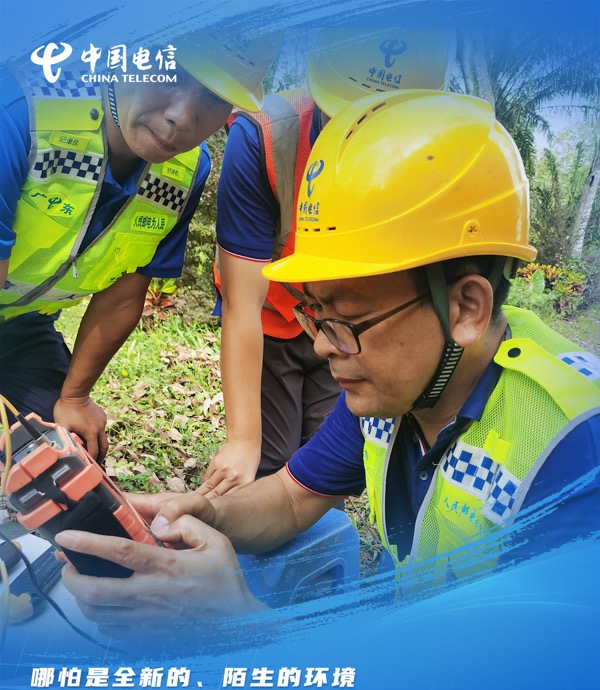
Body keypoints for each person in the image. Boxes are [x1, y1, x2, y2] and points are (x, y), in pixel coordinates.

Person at [58, 89, 600, 630]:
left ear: (466, 308)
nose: (321, 345)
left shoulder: (573, 453)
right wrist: (208, 511)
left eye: (349, 320)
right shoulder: (399, 396)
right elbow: (291, 498)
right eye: (315, 313)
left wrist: (239, 622)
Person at [0, 28, 280, 460]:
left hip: (22, 328)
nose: (182, 117)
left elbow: (122, 297)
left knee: (66, 464)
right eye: (171, 73)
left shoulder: (183, 174)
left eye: (213, 97)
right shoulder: (23, 111)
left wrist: (74, 397)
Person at [202, 28, 456, 495]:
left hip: (349, 327)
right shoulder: (265, 138)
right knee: (268, 461)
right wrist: (242, 442)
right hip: (273, 316)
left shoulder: (431, 153)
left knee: (323, 465)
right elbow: (243, 303)